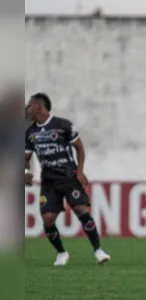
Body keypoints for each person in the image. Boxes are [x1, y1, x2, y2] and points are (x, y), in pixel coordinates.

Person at [24, 93, 111, 266]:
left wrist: (80, 171)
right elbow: (25, 157)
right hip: (49, 181)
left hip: (68, 177)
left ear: (39, 107)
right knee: (48, 218)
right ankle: (61, 253)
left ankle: (98, 251)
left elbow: (79, 147)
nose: (27, 109)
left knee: (81, 210)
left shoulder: (63, 125)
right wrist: (26, 171)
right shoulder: (30, 132)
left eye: (30, 106)